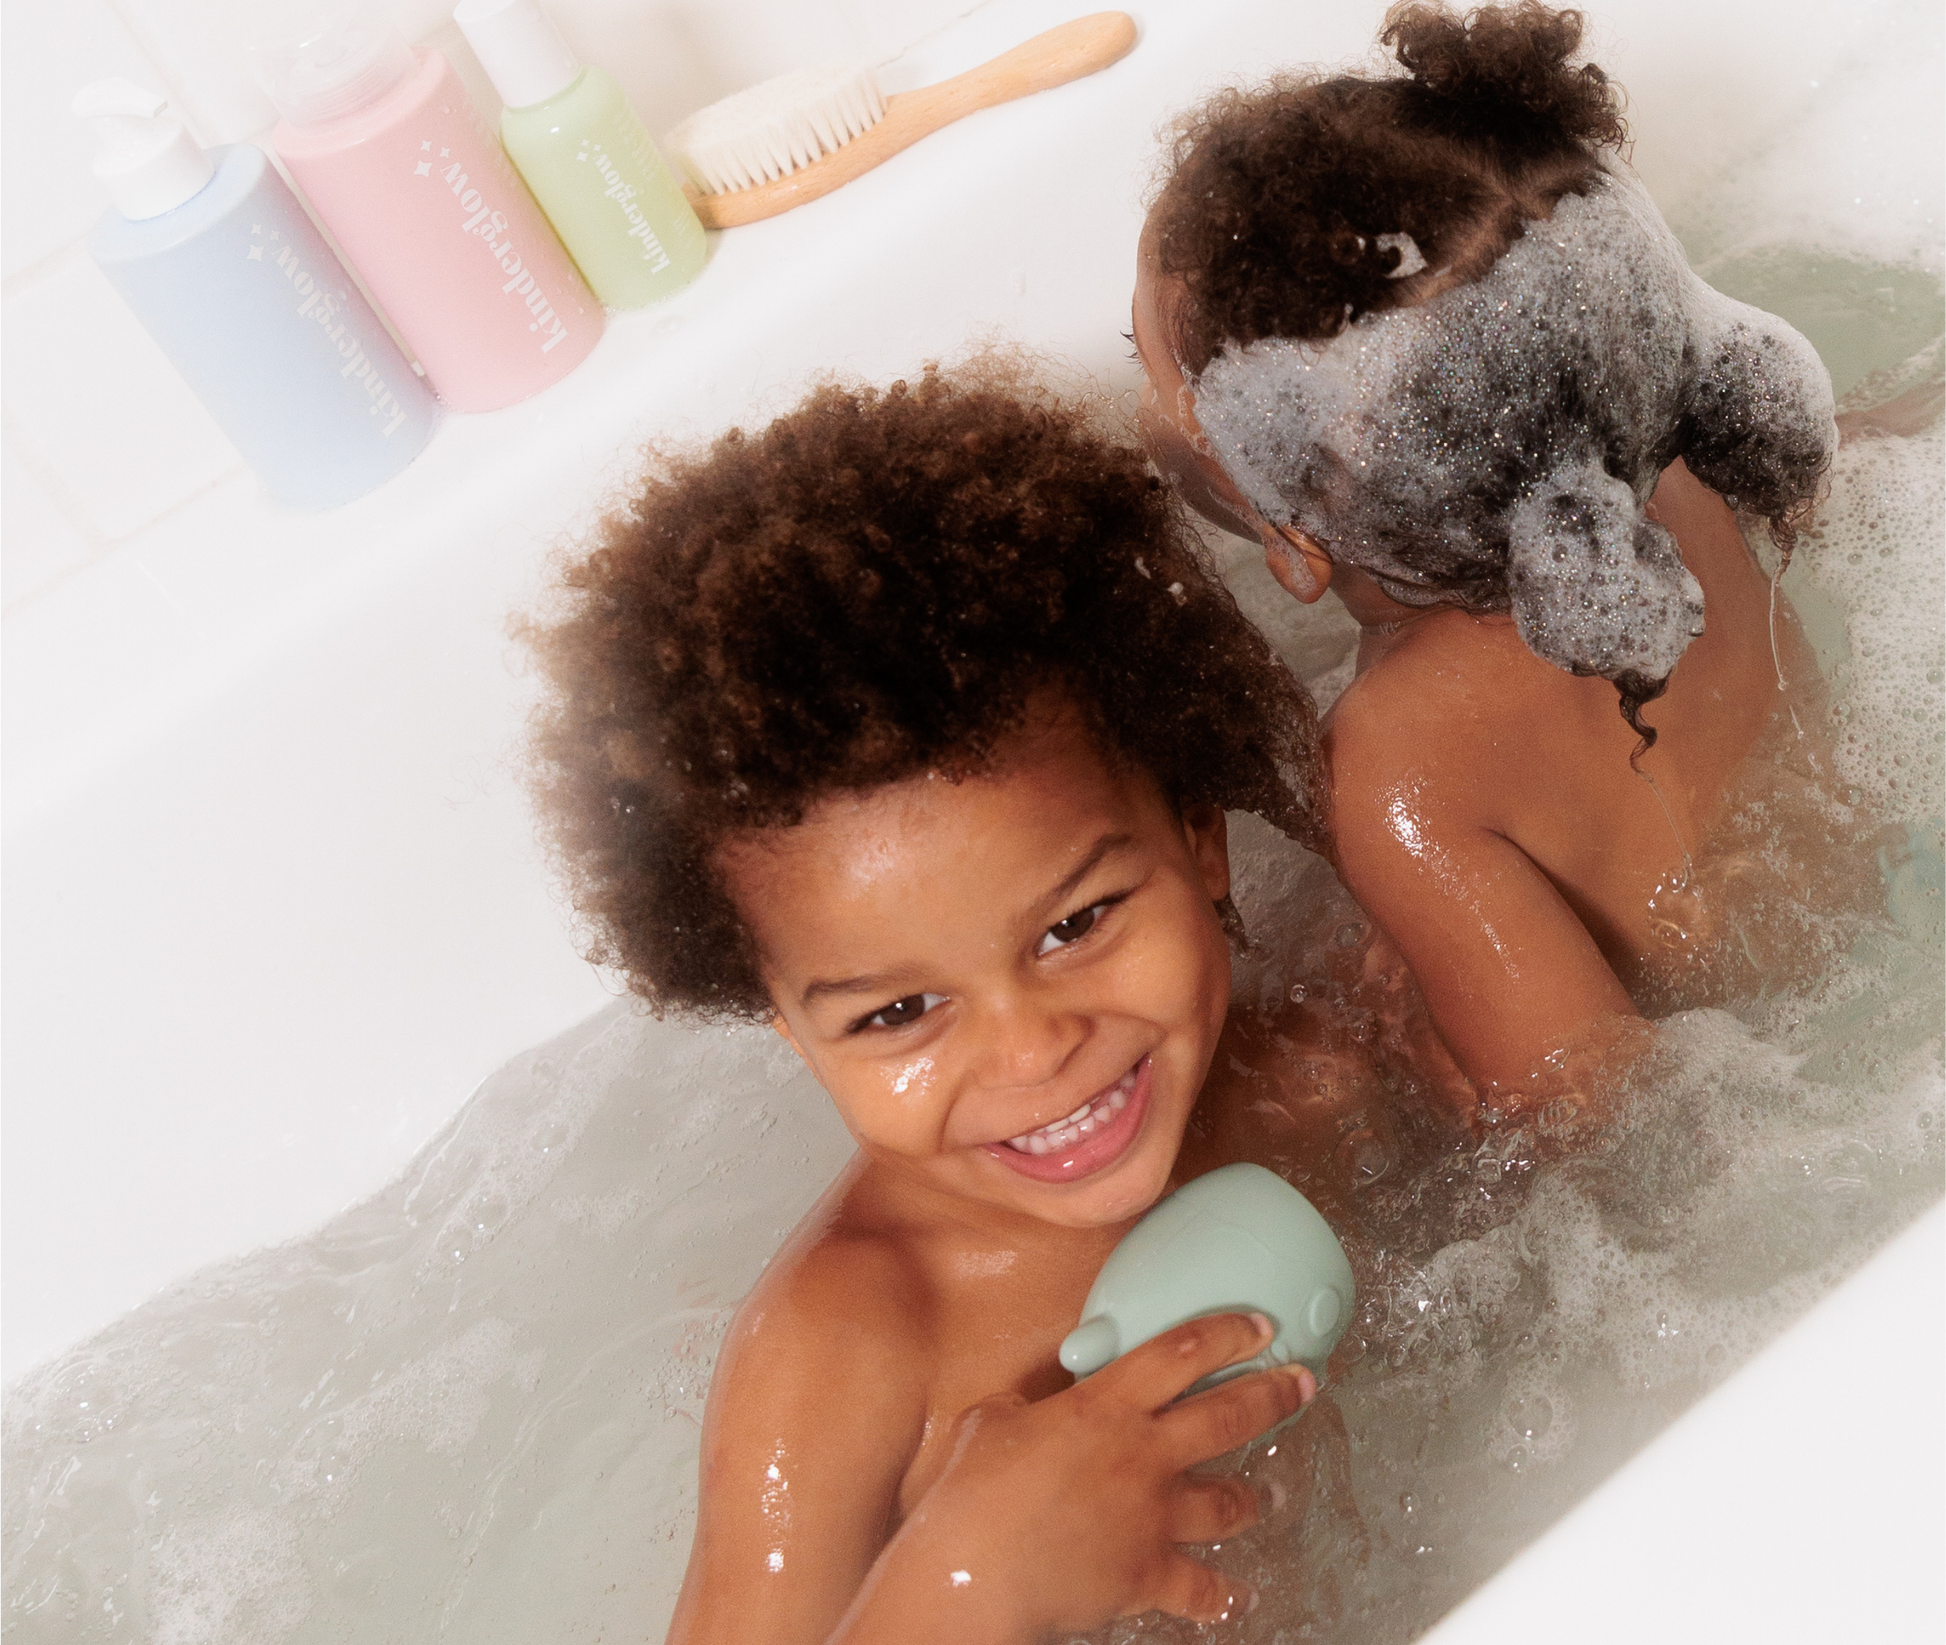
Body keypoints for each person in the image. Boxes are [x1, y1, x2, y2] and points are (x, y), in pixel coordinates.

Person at [524, 364, 1383, 1643]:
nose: (1034, 1050)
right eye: (895, 1013)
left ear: (1199, 838)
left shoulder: (1284, 1073)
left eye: (1075, 924)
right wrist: (962, 1583)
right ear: (790, 1033)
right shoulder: (846, 1348)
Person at [1130, 0, 1837, 1112]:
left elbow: (1600, 1113)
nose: (1138, 399)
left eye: (1145, 367)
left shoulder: (1396, 766)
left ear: (1288, 538)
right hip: (1843, 898)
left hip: (1746, 1082)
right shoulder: (1672, 480)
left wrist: (1424, 1031)